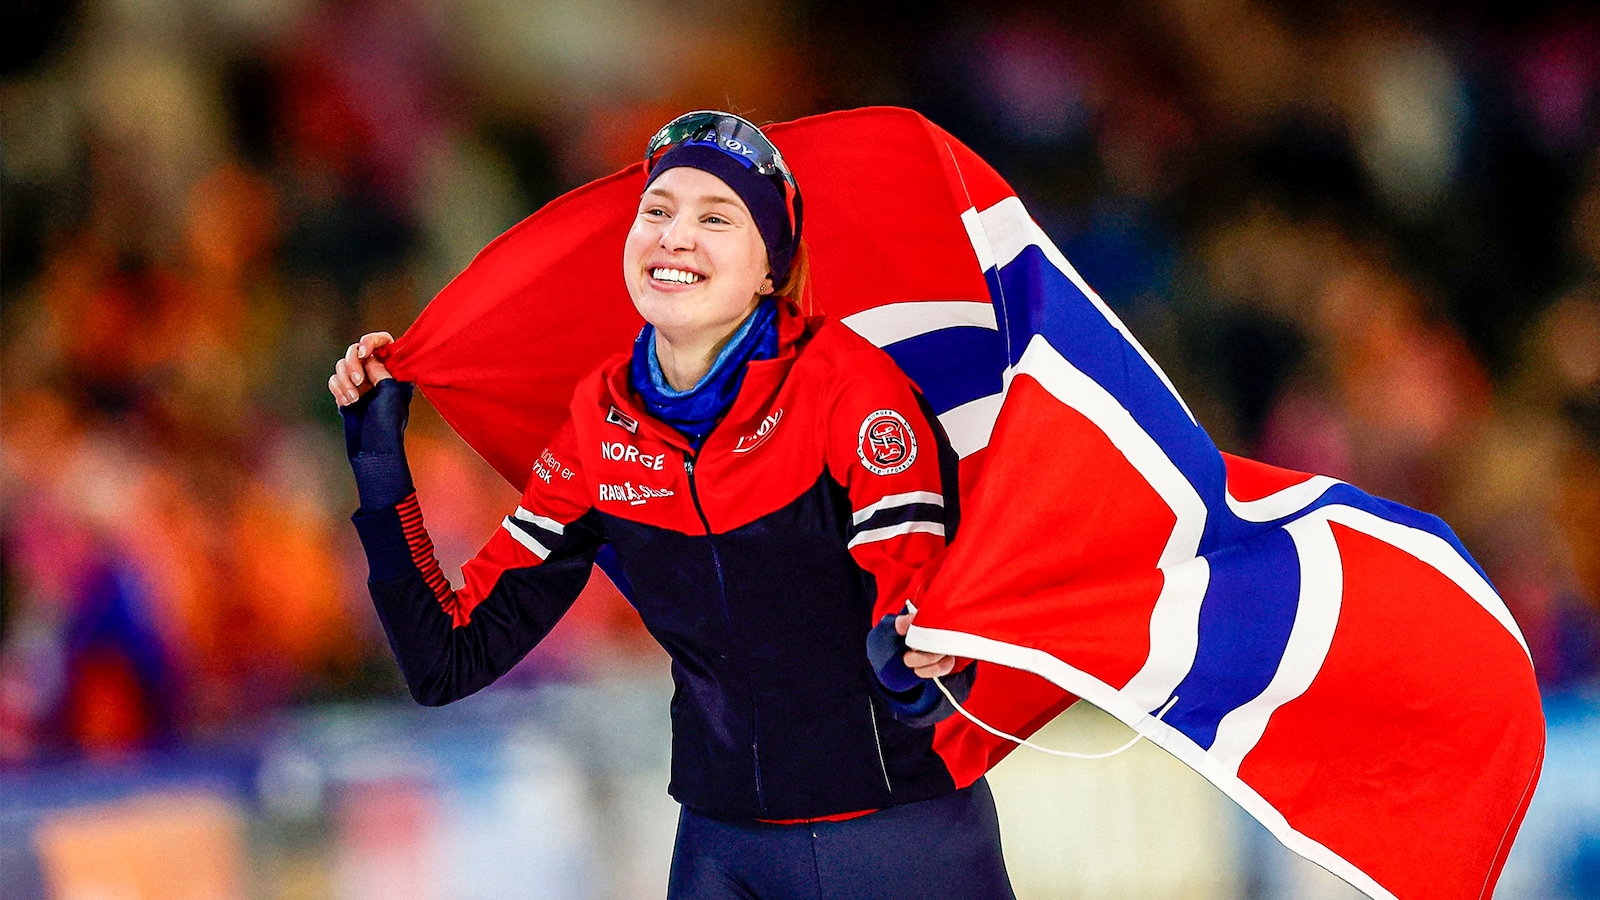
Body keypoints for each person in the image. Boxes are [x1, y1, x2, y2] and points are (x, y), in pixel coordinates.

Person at [329, 111, 1015, 900]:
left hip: (899, 837)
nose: (674, 235)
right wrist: (381, 463)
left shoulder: (853, 395)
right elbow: (447, 660)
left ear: (771, 268)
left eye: (716, 217)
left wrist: (921, 656)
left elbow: (922, 632)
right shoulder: (600, 422)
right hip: (720, 851)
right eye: (657, 211)